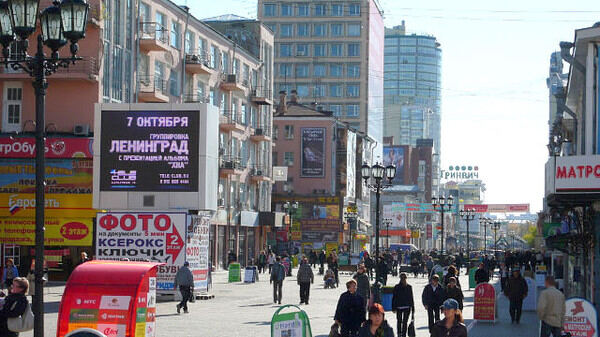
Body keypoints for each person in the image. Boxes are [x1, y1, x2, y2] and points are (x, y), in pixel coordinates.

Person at [392, 273, 414, 337]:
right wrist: (393, 307)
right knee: (400, 321)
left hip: (406, 306)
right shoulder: (397, 287)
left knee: (403, 321)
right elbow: (394, 297)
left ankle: (402, 333)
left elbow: (411, 298)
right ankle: (400, 333)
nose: (403, 279)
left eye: (404, 278)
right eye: (402, 278)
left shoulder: (409, 287)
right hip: (400, 306)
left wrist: (412, 308)